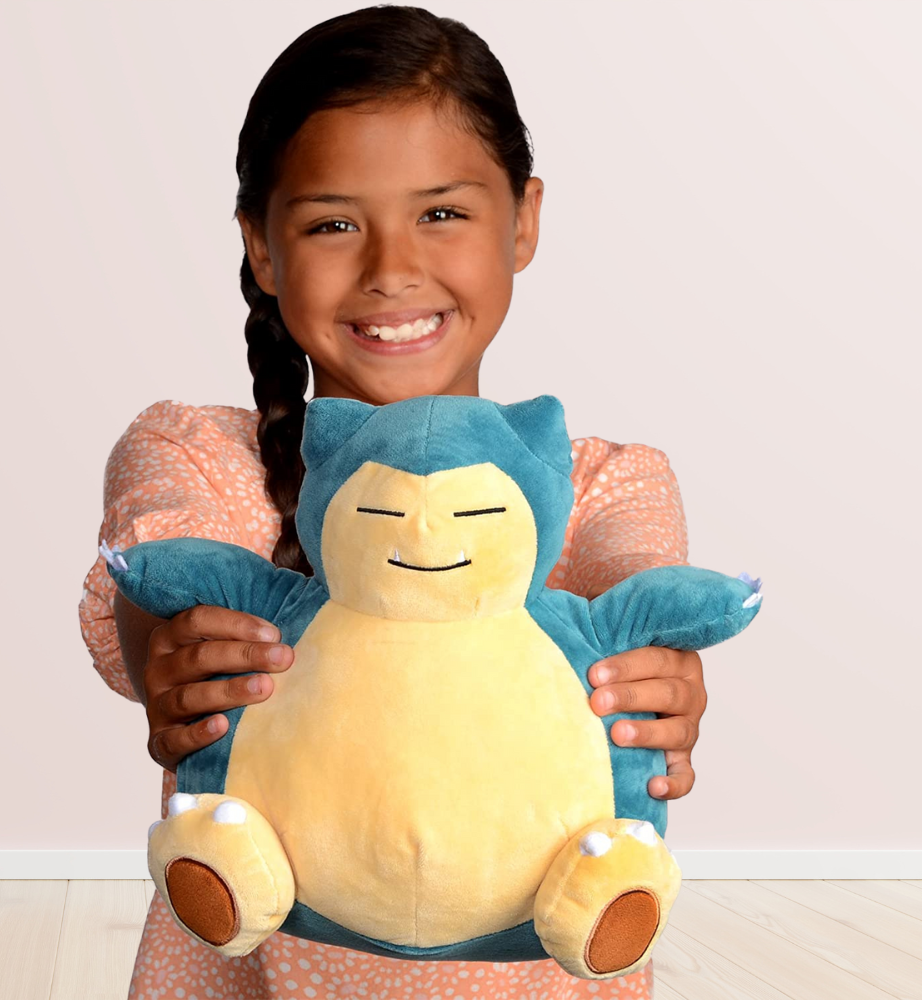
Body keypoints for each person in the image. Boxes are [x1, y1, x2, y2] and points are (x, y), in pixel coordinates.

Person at [79, 6, 707, 999]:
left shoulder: (598, 487)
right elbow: (165, 569)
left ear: (524, 220)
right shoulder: (200, 453)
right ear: (261, 248)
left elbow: (642, 582)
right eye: (332, 224)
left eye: (441, 213)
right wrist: (171, 644)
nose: (391, 270)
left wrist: (664, 671)